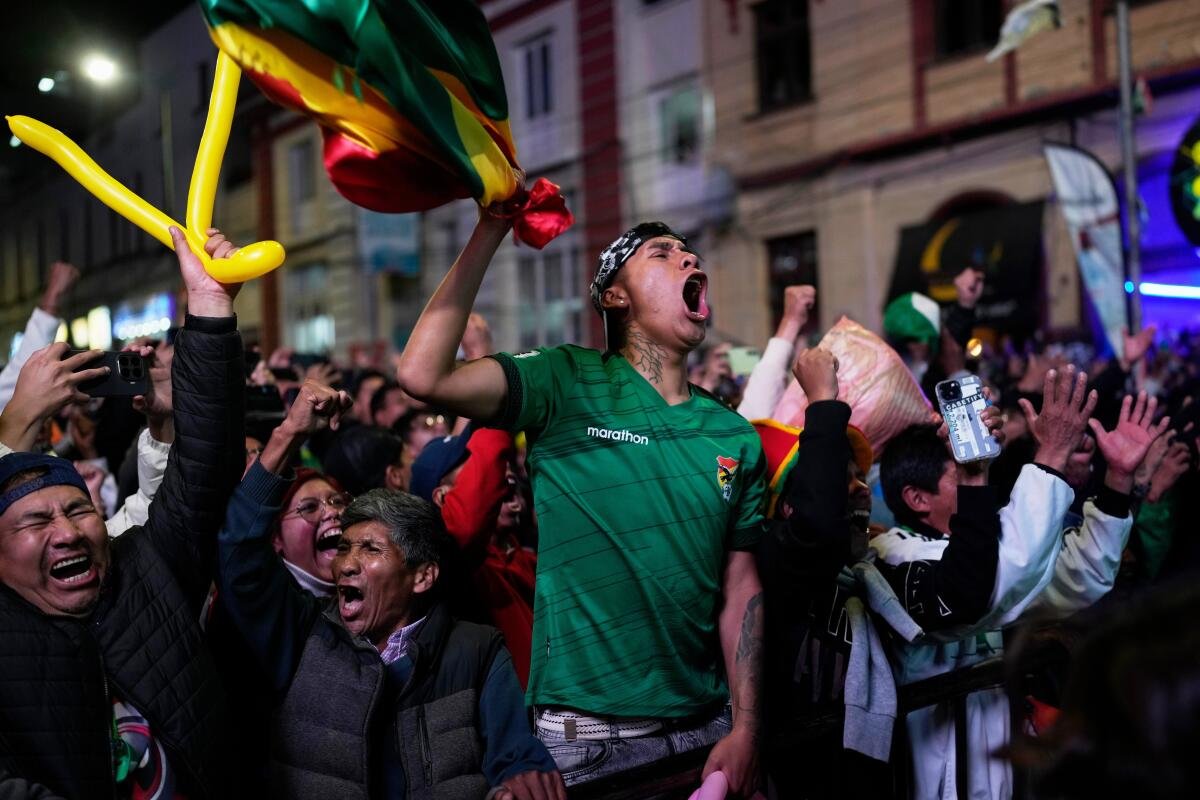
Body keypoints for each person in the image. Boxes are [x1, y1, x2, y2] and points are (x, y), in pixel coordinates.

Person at [397, 211, 767, 795]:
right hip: (589, 735)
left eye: (688, 252)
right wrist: (491, 227)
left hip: (707, 729)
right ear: (615, 296)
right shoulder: (563, 379)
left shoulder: (733, 434)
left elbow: (740, 585)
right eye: (662, 254)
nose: (689, 258)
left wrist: (746, 726)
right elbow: (423, 375)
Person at [215, 380, 564, 800]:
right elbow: (239, 551)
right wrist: (289, 433)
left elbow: (517, 756)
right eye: (345, 548)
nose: (346, 563)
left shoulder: (476, 652)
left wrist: (519, 780)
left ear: (422, 576)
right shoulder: (305, 636)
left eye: (370, 549)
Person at [0, 226, 245, 799]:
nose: (68, 532)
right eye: (36, 522)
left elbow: (205, 470)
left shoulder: (145, 571)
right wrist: (16, 423)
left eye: (78, 510)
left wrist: (209, 309)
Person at [872, 366, 1169, 799]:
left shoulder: (976, 543)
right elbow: (986, 584)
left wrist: (1118, 481)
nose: (975, 476)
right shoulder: (893, 555)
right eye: (957, 472)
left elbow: (1077, 579)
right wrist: (1051, 453)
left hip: (999, 778)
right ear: (917, 498)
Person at [410, 426, 537, 687]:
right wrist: (495, 419)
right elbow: (467, 523)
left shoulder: (525, 557)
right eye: (473, 462)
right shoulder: (449, 564)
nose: (498, 469)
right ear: (442, 497)